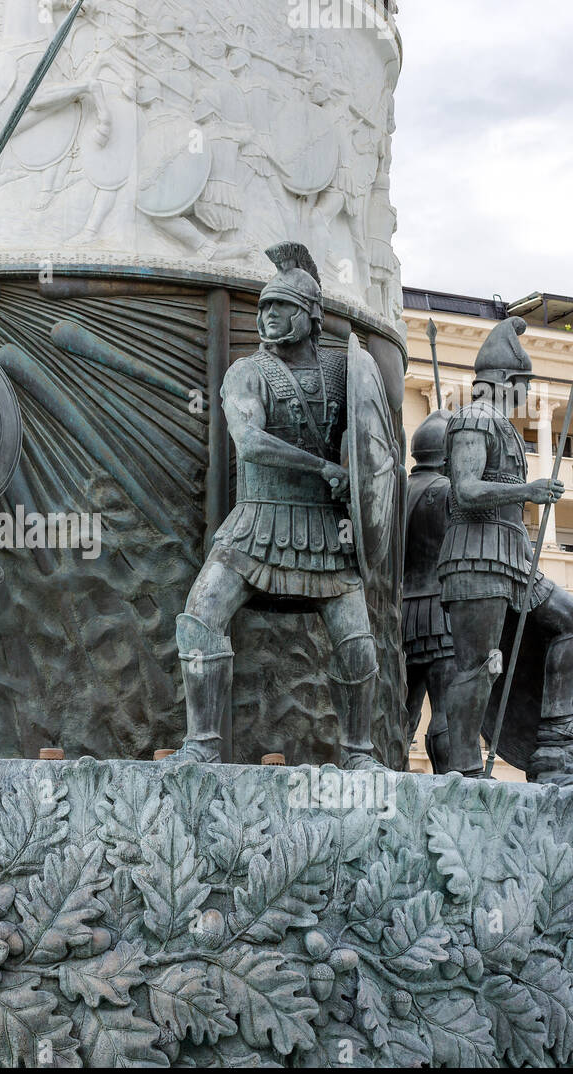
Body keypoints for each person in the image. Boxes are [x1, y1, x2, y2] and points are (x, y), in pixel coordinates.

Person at [165, 243, 380, 768]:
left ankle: (359, 753)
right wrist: (323, 467)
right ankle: (201, 745)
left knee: (357, 645)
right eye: (263, 308)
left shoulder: (342, 372)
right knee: (199, 618)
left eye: (280, 307)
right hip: (259, 519)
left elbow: (373, 446)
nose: (268, 317)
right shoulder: (247, 373)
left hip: (327, 529)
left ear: (311, 317)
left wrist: (354, 477)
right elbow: (251, 442)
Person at [439, 316, 573, 776]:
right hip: (475, 557)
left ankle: (558, 719)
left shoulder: (504, 427)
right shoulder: (473, 418)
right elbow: (466, 491)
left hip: (513, 559)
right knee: (477, 665)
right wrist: (527, 492)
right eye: (523, 383)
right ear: (502, 381)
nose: (527, 392)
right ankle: (464, 767)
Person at [402, 409, 454, 773]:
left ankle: (392, 780)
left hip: (399, 614)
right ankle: (448, 785)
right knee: (446, 710)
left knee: (401, 714)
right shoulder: (447, 492)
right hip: (440, 613)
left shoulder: (396, 489)